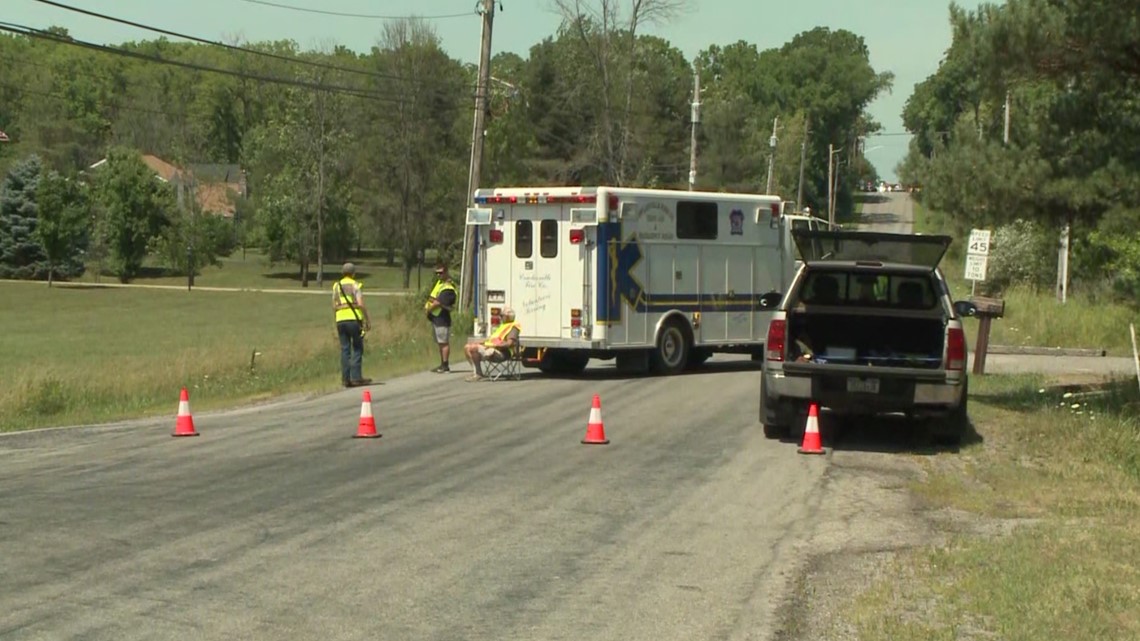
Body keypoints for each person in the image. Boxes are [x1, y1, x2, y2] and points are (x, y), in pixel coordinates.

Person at [332, 262, 372, 387]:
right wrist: (367, 319)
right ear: (353, 273)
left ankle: (345, 378)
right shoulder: (355, 285)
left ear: (342, 273)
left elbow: (334, 305)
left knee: (345, 349)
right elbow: (360, 304)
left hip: (340, 320)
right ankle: (356, 377)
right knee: (357, 347)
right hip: (354, 320)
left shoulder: (336, 286)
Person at [463, 307, 521, 382]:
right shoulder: (503, 326)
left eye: (502, 316)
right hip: (492, 349)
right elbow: (492, 339)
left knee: (474, 348)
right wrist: (481, 343)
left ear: (508, 317)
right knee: (467, 347)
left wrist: (493, 346)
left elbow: (509, 344)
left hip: (503, 353)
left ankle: (478, 374)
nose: (501, 318)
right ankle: (476, 372)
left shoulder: (513, 327)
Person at [425, 263, 458, 373]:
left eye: (441, 273)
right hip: (436, 318)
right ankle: (442, 364)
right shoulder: (440, 283)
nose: (439, 275)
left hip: (442, 318)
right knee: (440, 342)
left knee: (443, 342)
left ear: (446, 272)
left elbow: (438, 302)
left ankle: (445, 365)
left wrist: (429, 309)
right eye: (437, 273)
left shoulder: (448, 287)